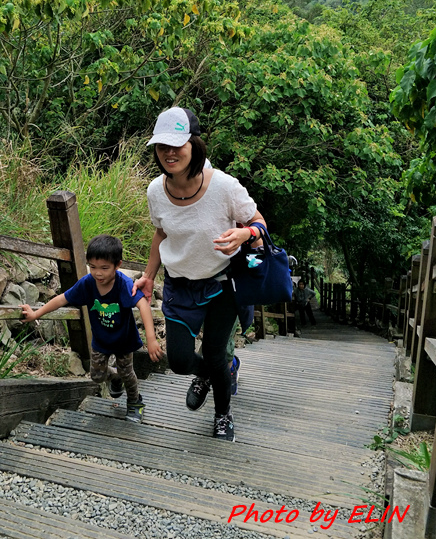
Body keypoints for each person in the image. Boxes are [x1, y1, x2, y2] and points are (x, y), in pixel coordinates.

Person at [132, 106, 267, 442]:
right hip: (180, 285)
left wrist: (244, 234)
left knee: (214, 352)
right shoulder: (155, 191)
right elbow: (160, 234)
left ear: (194, 144)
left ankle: (223, 416)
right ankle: (213, 373)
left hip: (223, 285)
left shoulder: (224, 186)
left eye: (177, 145)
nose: (169, 153)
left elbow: (261, 224)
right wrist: (149, 276)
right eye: (162, 147)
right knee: (178, 360)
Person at [21, 234, 163, 423]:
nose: (98, 273)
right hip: (101, 340)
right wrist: (36, 314)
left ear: (117, 265)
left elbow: (143, 305)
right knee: (96, 376)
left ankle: (135, 401)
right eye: (93, 267)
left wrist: (151, 339)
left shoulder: (124, 284)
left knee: (127, 372)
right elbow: (63, 298)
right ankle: (114, 378)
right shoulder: (87, 283)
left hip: (124, 340)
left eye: (104, 268)